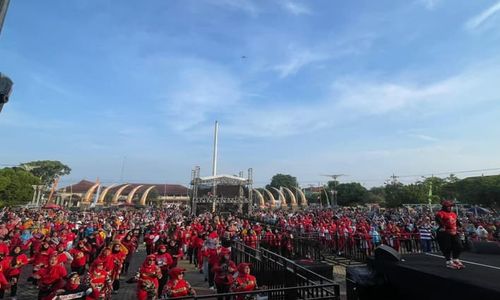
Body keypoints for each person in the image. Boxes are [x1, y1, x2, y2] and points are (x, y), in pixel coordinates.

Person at [435, 200, 464, 269]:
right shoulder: (441, 213)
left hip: (454, 232)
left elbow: (457, 221)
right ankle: (448, 261)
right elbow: (437, 218)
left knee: (459, 245)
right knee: (447, 247)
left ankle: (455, 259)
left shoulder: (453, 214)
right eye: (449, 206)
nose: (450, 207)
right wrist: (442, 226)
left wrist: (460, 227)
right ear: (444, 207)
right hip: (445, 232)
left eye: (451, 206)